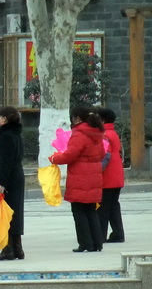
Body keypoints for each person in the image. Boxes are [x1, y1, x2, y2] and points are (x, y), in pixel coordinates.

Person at [49, 106, 105, 253]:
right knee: (91, 210)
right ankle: (96, 243)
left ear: (77, 118)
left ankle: (85, 243)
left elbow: (70, 155)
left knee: (79, 211)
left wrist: (55, 158)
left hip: (80, 176)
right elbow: (102, 154)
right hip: (94, 175)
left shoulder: (79, 134)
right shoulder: (97, 133)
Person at [0, 106, 26, 260]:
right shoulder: (17, 134)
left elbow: (5, 161)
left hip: (9, 178)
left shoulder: (5, 136)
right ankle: (17, 247)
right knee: (15, 212)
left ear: (4, 119)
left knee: (5, 213)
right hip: (17, 175)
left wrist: (1, 182)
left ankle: (8, 248)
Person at [97, 107, 125, 243]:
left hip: (107, 176)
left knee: (103, 206)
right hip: (117, 175)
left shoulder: (104, 135)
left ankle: (100, 235)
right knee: (114, 205)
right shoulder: (113, 133)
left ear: (102, 120)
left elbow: (104, 155)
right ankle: (118, 233)